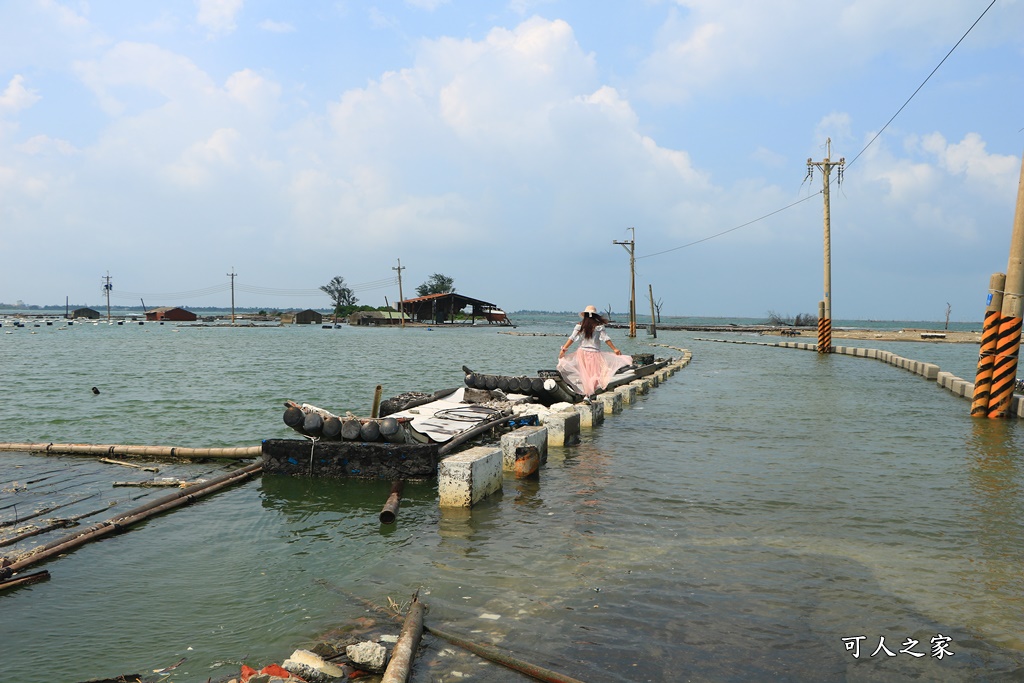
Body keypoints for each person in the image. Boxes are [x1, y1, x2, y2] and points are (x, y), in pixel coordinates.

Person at [557, 305, 633, 398]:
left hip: (581, 353)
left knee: (584, 374)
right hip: (594, 354)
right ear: (595, 315)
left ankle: (585, 393)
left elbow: (572, 338)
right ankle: (589, 394)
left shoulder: (580, 325)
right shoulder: (599, 326)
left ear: (585, 315)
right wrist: (615, 349)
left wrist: (564, 349)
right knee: (593, 375)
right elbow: (606, 339)